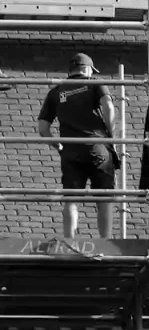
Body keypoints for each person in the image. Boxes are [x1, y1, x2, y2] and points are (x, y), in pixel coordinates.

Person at [37, 53, 117, 239]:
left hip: (71, 150)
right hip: (98, 147)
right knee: (104, 199)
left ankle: (70, 241)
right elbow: (109, 107)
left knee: (71, 200)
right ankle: (105, 241)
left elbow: (43, 127)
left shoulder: (56, 91)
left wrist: (57, 145)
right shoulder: (95, 83)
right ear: (87, 69)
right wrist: (111, 135)